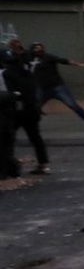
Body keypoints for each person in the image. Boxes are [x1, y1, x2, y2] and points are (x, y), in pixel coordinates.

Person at [2, 40, 50, 175]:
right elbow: (27, 59)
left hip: (16, 110)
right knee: (35, 137)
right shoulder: (28, 73)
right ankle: (44, 164)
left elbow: (10, 93)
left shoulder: (7, 74)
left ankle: (8, 164)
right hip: (31, 109)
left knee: (7, 137)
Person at [28, 42, 84, 129]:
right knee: (34, 107)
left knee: (72, 105)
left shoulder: (48, 57)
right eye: (36, 48)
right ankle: (28, 125)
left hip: (57, 87)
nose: (39, 50)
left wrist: (78, 64)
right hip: (42, 89)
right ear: (32, 50)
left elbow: (63, 61)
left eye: (40, 48)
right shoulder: (29, 59)